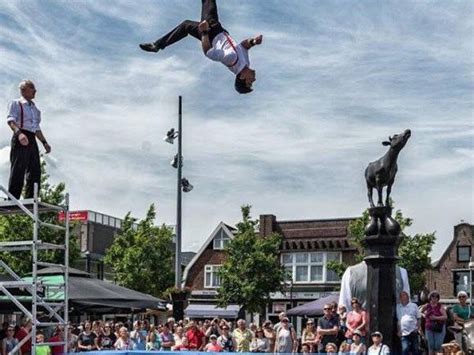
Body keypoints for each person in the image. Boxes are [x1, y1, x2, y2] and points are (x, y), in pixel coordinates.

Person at [139, 0, 262, 94]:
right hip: (217, 29)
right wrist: (254, 41)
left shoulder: (231, 59)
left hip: (211, 30)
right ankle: (157, 45)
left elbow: (209, 52)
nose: (254, 80)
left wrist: (204, 32)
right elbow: (243, 46)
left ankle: (157, 45)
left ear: (241, 77)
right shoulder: (245, 63)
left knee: (187, 24)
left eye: (250, 82)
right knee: (186, 25)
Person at [6, 80, 51, 199]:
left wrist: (44, 142)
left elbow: (36, 128)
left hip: (31, 137)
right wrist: (19, 134)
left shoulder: (35, 109)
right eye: (32, 87)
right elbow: (11, 120)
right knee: (18, 167)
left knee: (35, 169)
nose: (35, 90)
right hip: (21, 134)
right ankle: (13, 198)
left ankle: (31, 197)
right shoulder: (16, 103)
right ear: (23, 90)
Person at [339, 261, 410, 311]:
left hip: (394, 328)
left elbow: (407, 305)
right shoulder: (350, 272)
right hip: (361, 328)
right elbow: (345, 307)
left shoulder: (402, 272)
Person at [421, 291, 448, 355]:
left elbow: (445, 316)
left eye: (436, 296)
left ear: (438, 298)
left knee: (438, 345)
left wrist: (435, 317)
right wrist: (424, 315)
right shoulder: (427, 305)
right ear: (430, 297)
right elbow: (420, 312)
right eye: (433, 296)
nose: (434, 298)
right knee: (431, 346)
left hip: (439, 327)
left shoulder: (440, 306)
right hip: (429, 327)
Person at [396, 290, 421, 355]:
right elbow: (398, 320)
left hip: (413, 331)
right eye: (401, 296)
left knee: (415, 349)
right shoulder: (398, 307)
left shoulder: (414, 305)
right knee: (405, 349)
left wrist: (418, 328)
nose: (402, 298)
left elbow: (418, 318)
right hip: (403, 332)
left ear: (407, 297)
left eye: (404, 296)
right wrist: (398, 330)